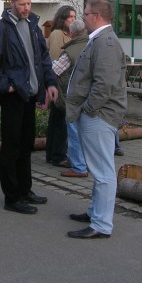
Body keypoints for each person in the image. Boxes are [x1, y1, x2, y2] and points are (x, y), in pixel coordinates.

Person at [0, 0, 58, 215]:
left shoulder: (34, 26)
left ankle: (25, 190)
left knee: (26, 145)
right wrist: (7, 86)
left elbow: (43, 59)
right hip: (14, 97)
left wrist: (51, 83)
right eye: (22, 4)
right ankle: (12, 196)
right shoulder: (0, 30)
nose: (26, 8)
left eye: (29, 3)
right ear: (12, 3)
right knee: (11, 147)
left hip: (30, 95)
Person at [66, 0, 127, 239]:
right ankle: (95, 213)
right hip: (97, 115)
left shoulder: (107, 43)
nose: (83, 18)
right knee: (99, 169)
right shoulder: (100, 40)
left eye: (86, 14)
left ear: (97, 16)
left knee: (103, 172)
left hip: (99, 116)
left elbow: (105, 84)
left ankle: (101, 224)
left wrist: (88, 109)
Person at [51, 19, 89, 179]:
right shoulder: (92, 45)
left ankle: (79, 167)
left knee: (73, 133)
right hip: (89, 96)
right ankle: (84, 163)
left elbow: (54, 70)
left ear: (71, 34)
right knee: (85, 133)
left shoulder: (70, 51)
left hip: (73, 97)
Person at [45, 5, 76, 168]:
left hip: (63, 84)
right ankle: (57, 155)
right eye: (70, 17)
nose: (72, 19)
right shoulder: (58, 34)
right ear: (62, 18)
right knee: (59, 121)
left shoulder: (67, 35)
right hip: (59, 83)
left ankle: (52, 154)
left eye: (74, 17)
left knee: (56, 119)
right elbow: (56, 61)